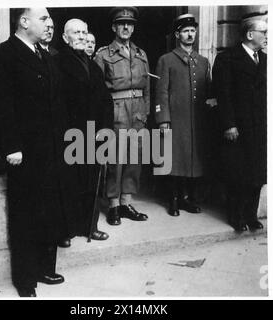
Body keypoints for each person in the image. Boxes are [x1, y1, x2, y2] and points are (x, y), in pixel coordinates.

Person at [0, 8, 65, 297]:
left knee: (49, 211)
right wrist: (12, 145)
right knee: (26, 215)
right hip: (25, 153)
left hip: (51, 150)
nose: (49, 24)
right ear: (24, 21)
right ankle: (26, 279)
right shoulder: (1, 55)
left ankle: (45, 266)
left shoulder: (46, 55)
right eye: (44, 19)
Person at [57, 18, 113, 246]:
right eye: (76, 33)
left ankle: (89, 226)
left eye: (84, 32)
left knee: (91, 183)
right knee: (68, 185)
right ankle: (64, 231)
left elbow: (106, 101)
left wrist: (106, 128)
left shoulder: (93, 66)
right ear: (65, 38)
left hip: (93, 135)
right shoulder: (57, 62)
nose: (81, 36)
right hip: (68, 136)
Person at [94, 7, 150, 226]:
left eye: (130, 24)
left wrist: (145, 112)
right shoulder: (104, 54)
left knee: (135, 158)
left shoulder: (141, 54)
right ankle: (114, 205)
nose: (126, 27)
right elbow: (98, 91)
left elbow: (147, 88)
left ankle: (126, 202)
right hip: (115, 109)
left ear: (133, 27)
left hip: (137, 111)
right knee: (115, 160)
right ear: (114, 27)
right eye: (121, 23)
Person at [212, 17, 267, 231]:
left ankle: (251, 216)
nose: (267, 36)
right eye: (263, 31)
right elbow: (222, 94)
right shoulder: (227, 59)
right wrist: (229, 124)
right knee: (237, 174)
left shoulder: (265, 60)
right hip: (238, 128)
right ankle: (236, 216)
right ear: (250, 34)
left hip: (260, 127)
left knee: (257, 173)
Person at [155, 14, 211, 217]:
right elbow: (161, 92)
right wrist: (163, 119)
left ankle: (187, 198)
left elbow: (208, 92)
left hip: (197, 121)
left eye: (193, 31)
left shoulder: (203, 61)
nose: (190, 34)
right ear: (178, 34)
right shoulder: (167, 60)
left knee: (193, 160)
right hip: (175, 119)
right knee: (174, 159)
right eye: (186, 31)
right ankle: (173, 199)